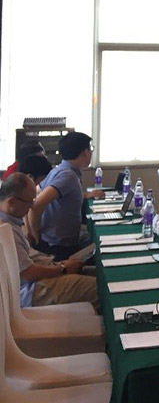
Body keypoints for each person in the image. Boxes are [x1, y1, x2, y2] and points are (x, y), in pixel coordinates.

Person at [0, 173, 98, 311]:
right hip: (32, 290)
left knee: (96, 274)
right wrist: (63, 269)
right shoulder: (5, 229)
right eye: (29, 202)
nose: (32, 206)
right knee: (100, 289)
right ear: (11, 202)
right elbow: (28, 273)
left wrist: (60, 265)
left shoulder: (11, 221)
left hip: (38, 275)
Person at [30, 132, 103, 260]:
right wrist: (35, 234)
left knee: (92, 237)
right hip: (60, 247)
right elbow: (37, 204)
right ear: (85, 152)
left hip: (56, 240)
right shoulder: (68, 176)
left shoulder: (58, 170)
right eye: (90, 149)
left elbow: (37, 192)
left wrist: (86, 195)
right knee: (102, 247)